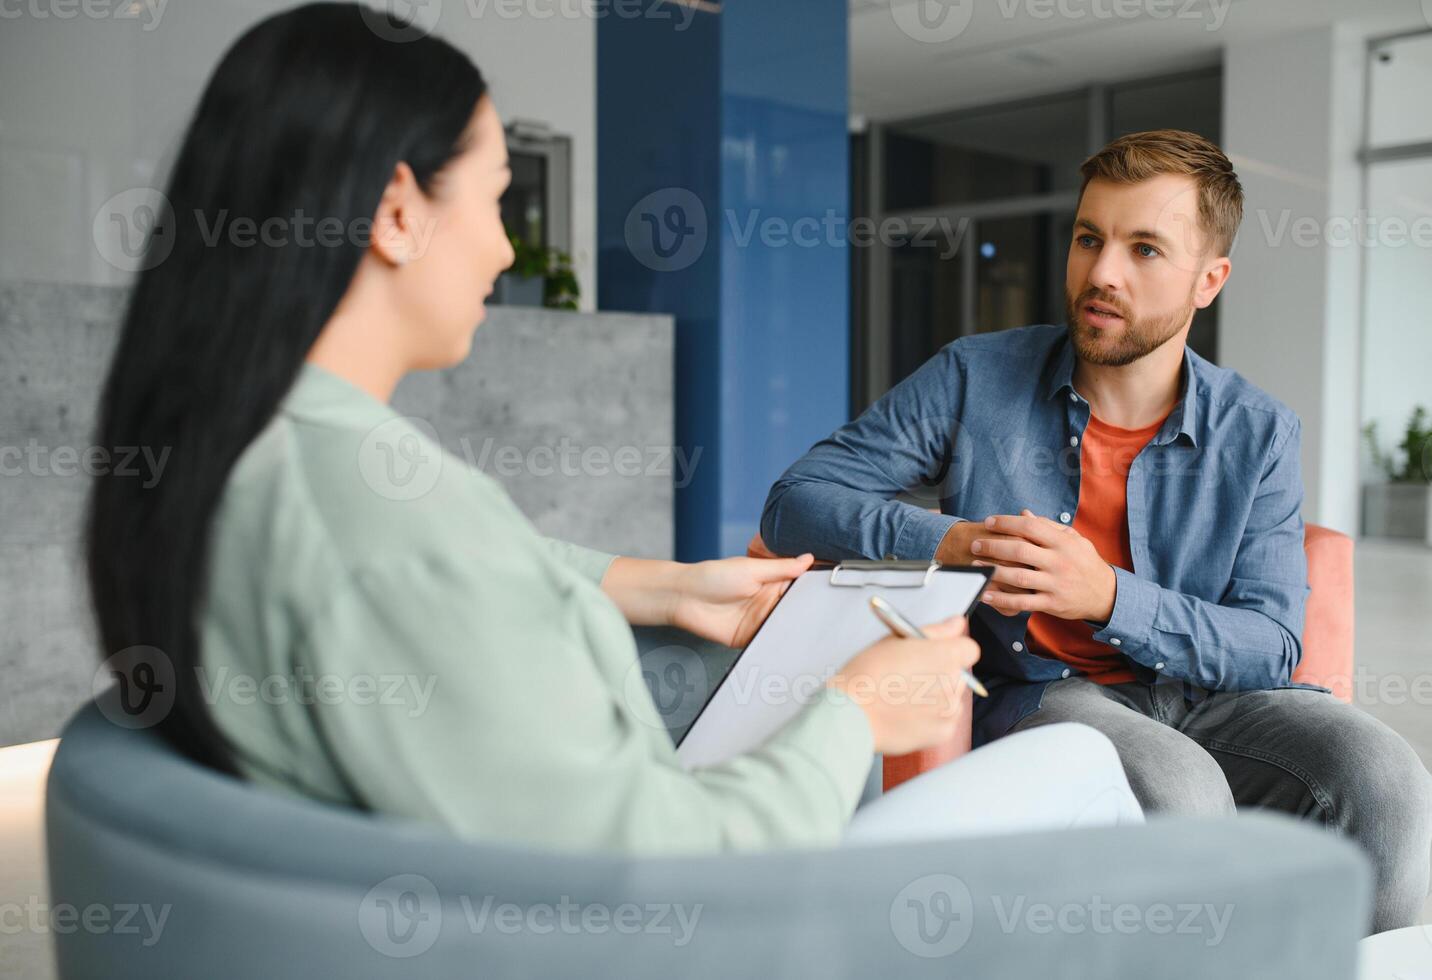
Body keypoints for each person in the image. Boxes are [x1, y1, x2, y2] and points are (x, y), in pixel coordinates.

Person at [85, 2, 1141, 858]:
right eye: (499, 201)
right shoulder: (376, 522)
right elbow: (639, 863)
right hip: (662, 910)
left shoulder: (249, 456)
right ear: (398, 211)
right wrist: (854, 712)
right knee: (1085, 770)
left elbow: (462, 576)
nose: (506, 251)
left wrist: (656, 581)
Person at [761, 129, 1432, 931]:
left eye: (1144, 249)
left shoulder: (1259, 432)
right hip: (1047, 692)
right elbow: (795, 502)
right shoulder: (974, 376)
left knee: (1390, 782)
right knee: (1180, 790)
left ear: (1207, 280)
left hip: (1212, 696)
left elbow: (1270, 646)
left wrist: (1107, 595)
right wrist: (953, 542)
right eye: (1089, 239)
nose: (1101, 273)